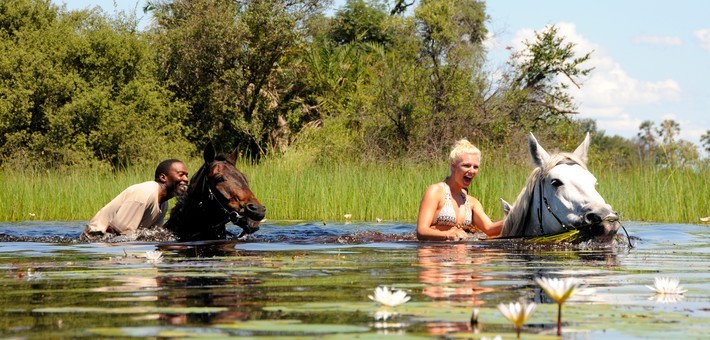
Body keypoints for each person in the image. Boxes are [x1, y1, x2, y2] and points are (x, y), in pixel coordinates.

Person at [416, 139, 502, 241]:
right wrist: (448, 235)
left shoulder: (472, 202)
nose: (472, 171)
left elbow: (490, 229)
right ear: (453, 166)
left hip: (461, 255)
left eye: (475, 167)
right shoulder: (436, 191)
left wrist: (519, 218)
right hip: (435, 253)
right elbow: (421, 231)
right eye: (466, 165)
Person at [81, 159, 189, 240]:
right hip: (95, 241)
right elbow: (116, 232)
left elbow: (150, 234)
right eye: (181, 175)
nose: (186, 179)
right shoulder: (145, 193)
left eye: (187, 175)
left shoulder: (163, 203)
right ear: (163, 177)